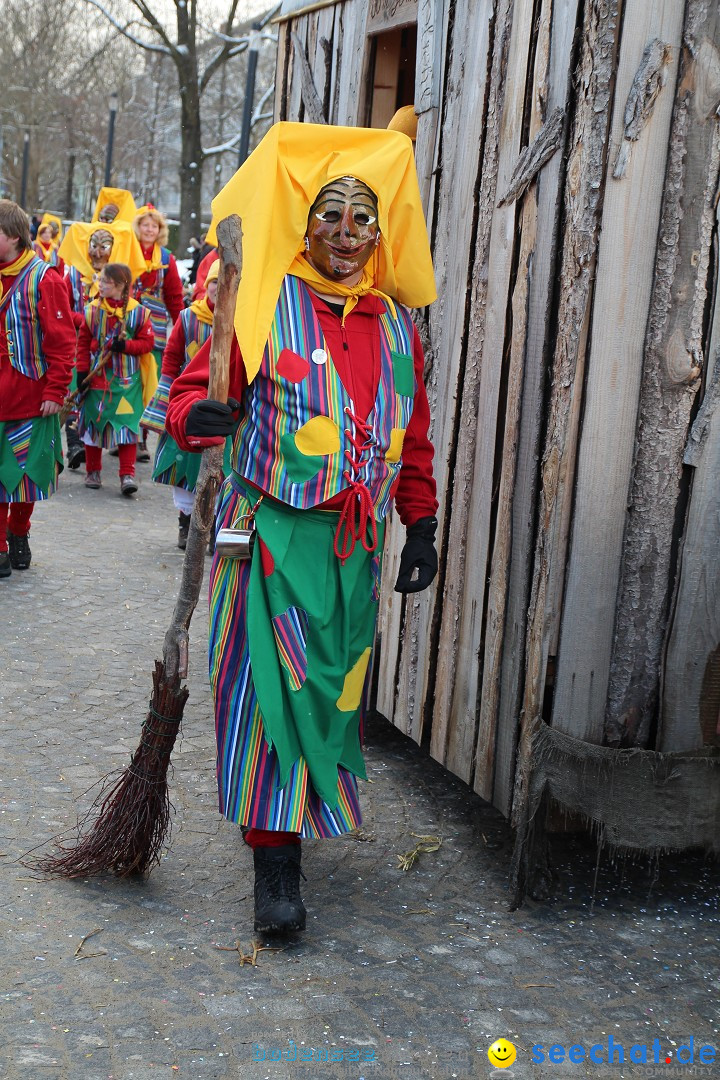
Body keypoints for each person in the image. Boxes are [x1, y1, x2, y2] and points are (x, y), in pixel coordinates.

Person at [165, 122, 439, 934]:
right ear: (305, 225)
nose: (346, 237)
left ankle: (299, 824)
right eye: (330, 218)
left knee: (327, 693)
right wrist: (197, 415)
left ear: (381, 234)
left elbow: (411, 431)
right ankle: (274, 870)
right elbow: (190, 395)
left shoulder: (396, 325)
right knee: (265, 698)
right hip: (270, 535)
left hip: (351, 547)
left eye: (363, 221)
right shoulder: (257, 301)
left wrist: (418, 523)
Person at [0, 199, 75, 577]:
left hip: (30, 397)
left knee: (25, 476)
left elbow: (62, 341)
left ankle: (18, 531)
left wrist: (55, 391)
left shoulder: (46, 278)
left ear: (13, 237)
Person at [141, 259, 223, 548]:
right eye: (214, 281)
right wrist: (165, 397)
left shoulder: (240, 319)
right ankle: (185, 524)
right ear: (206, 285)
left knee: (220, 469)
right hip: (189, 402)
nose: (218, 287)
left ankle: (213, 526)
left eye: (223, 282)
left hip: (223, 405)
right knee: (186, 465)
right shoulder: (189, 317)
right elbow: (172, 358)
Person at [58, 220, 146, 469]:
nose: (97, 252)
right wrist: (85, 318)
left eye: (104, 246)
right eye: (93, 245)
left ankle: (98, 449)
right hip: (74, 347)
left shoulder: (119, 278)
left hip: (107, 357)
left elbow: (131, 314)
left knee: (93, 398)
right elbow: (62, 309)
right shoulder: (73, 275)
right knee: (74, 394)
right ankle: (75, 446)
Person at [75, 263, 156, 496]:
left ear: (120, 285)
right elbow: (82, 344)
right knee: (93, 424)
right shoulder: (92, 311)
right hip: (97, 379)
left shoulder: (138, 312)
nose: (100, 285)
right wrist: (81, 373)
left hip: (126, 382)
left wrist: (126, 346)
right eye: (99, 280)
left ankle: (127, 474)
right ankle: (93, 471)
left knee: (128, 428)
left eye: (105, 282)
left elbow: (148, 344)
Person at [132, 204, 184, 461]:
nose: (149, 229)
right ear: (138, 227)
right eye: (145, 225)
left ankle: (140, 439)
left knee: (149, 383)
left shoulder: (166, 259)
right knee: (125, 380)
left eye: (154, 226)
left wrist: (182, 325)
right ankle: (121, 434)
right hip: (128, 324)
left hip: (156, 328)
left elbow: (174, 295)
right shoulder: (127, 251)